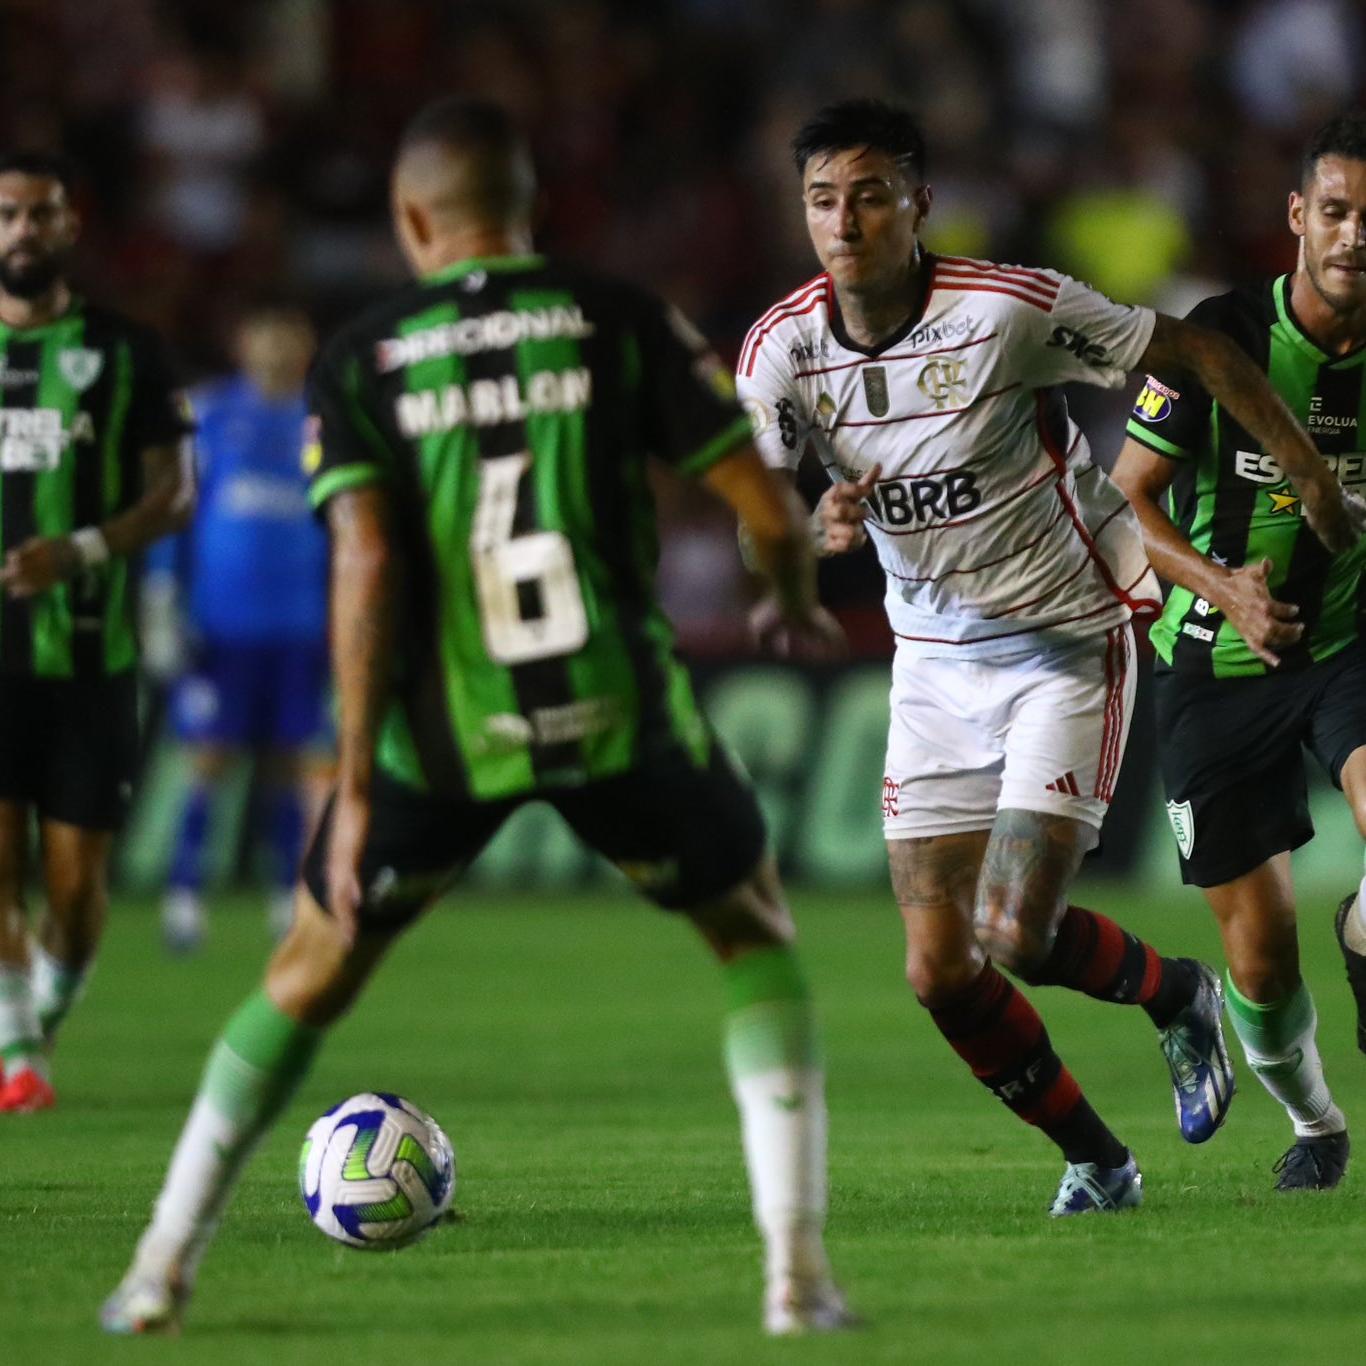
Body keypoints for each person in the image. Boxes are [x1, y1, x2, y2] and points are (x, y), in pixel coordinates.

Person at [102, 98, 854, 1337]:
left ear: (411, 218)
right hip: (616, 712)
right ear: (529, 208)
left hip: (443, 732)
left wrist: (350, 777)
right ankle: (796, 1277)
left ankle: (160, 1267)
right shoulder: (619, 320)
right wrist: (782, 599)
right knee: (751, 930)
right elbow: (767, 512)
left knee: (309, 970)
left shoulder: (365, 358)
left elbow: (367, 566)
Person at [737, 98, 1363, 1215]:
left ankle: (1178, 999)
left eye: (871, 195)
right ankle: (1101, 1155)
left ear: (919, 205)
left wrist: (1305, 474)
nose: (846, 222)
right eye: (823, 200)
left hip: (1065, 636)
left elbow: (1194, 349)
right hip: (930, 660)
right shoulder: (780, 350)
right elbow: (755, 512)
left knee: (1015, 928)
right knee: (941, 967)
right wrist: (805, 533)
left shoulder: (1006, 310)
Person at [1112, 110, 1366, 1192]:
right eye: (1340, 212)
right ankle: (1315, 1123)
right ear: (1299, 218)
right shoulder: (1219, 336)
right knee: (1258, 955)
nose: (1356, 236)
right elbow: (1129, 500)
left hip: (1350, 647)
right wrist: (1225, 588)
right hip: (1212, 666)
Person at [0, 151, 194, 1114]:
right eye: (6, 216)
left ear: (70, 226)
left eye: (39, 215)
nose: (22, 233)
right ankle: (15, 1054)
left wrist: (77, 550)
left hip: (89, 657)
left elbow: (175, 495)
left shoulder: (127, 352)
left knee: (73, 893)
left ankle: (43, 1005)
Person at [145, 302, 331, 953]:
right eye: (266, 338)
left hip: (302, 626)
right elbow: (176, 509)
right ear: (242, 343)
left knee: (290, 765)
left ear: (307, 346)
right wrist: (161, 594)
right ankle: (184, 895)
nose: (277, 351)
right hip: (222, 627)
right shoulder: (209, 414)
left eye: (289, 339)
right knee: (207, 762)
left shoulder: (324, 419)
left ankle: (286, 897)